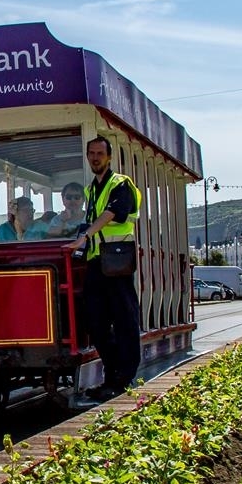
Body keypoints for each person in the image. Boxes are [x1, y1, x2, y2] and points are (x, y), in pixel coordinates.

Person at [64, 136, 143, 400]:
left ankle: (124, 378)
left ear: (109, 157)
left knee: (124, 320)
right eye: (91, 154)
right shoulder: (91, 190)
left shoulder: (120, 184)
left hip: (118, 261)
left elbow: (111, 214)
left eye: (100, 153)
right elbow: (89, 220)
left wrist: (84, 237)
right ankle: (111, 375)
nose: (95, 158)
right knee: (96, 321)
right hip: (97, 262)